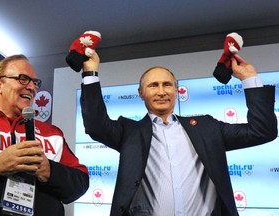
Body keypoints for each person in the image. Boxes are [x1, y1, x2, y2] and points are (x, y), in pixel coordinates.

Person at [79, 51, 277, 216]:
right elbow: (96, 125)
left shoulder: (207, 127)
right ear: (140, 93)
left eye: (167, 85)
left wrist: (249, 79)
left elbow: (262, 131)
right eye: (153, 85)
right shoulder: (129, 132)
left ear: (176, 91)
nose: (161, 91)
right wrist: (90, 73)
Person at [0, 55, 89, 216]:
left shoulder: (52, 133)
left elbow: (80, 184)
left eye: (35, 83)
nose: (31, 87)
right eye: (23, 79)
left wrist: (49, 170)